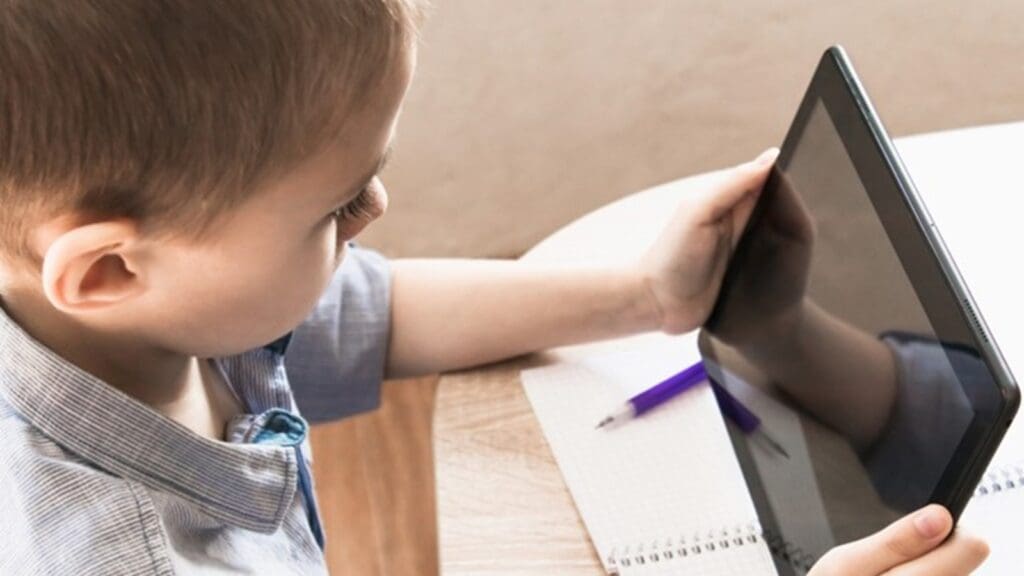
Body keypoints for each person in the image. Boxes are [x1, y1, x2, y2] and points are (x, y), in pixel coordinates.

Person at [0, 1, 987, 574]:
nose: (377, 208)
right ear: (109, 270)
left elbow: (370, 316)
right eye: (335, 208)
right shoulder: (115, 553)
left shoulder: (142, 310)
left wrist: (647, 295)